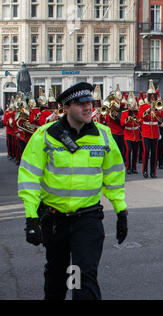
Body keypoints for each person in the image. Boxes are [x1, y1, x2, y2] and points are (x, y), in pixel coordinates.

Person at [18, 82, 128, 300]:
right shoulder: (45, 135)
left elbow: (114, 177)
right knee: (56, 279)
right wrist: (31, 218)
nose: (88, 107)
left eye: (90, 102)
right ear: (66, 107)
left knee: (83, 278)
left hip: (87, 219)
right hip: (55, 221)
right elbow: (29, 177)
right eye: (81, 103)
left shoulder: (103, 136)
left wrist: (121, 211)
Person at [121, 92, 141, 174]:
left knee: (135, 151)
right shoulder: (124, 113)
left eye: (133, 105)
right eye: (130, 105)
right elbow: (122, 123)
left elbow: (140, 122)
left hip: (135, 133)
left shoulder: (137, 112)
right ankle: (128, 167)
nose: (132, 107)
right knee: (128, 150)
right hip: (128, 134)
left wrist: (136, 119)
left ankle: (134, 167)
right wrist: (128, 119)